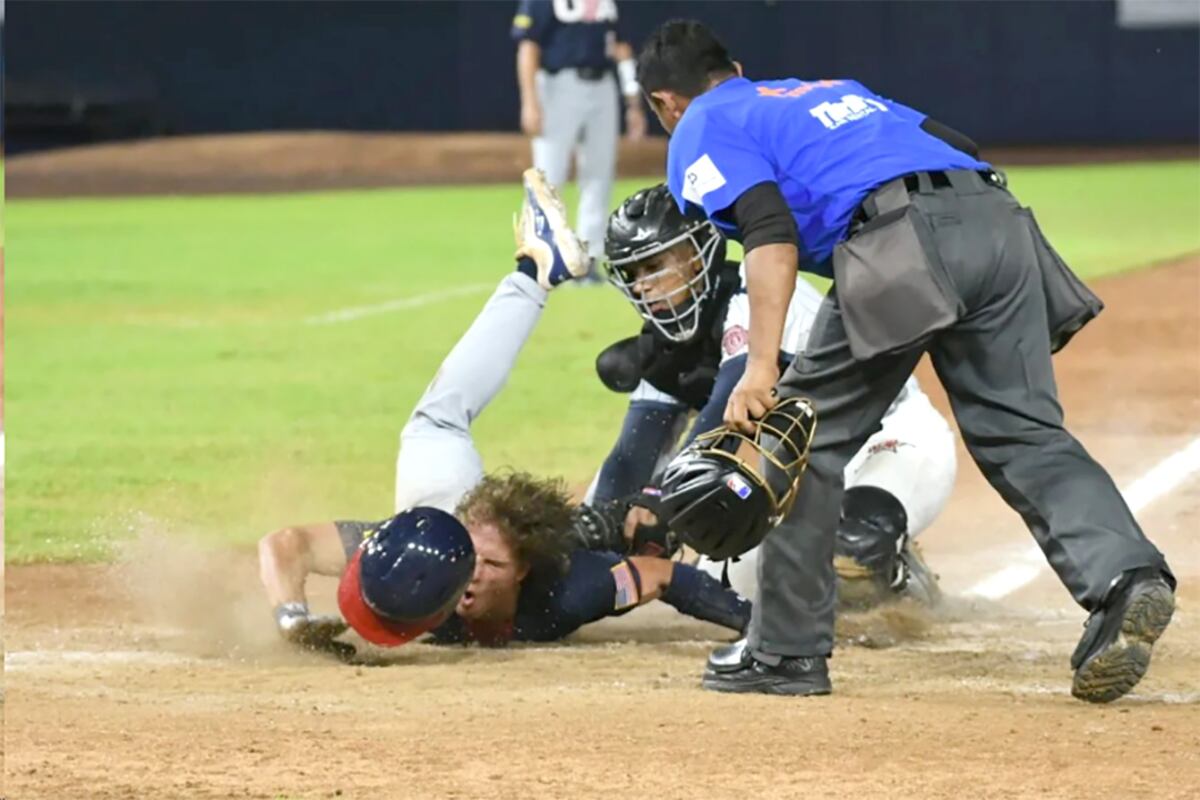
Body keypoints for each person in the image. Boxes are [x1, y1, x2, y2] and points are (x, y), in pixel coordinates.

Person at [635, 19, 1175, 702]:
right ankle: (1126, 577)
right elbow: (956, 146)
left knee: (800, 439)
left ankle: (784, 652)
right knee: (1025, 431)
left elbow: (769, 232)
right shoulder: (826, 90)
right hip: (999, 221)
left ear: (665, 102)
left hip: (899, 239)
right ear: (735, 69)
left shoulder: (698, 127)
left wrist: (762, 366)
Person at [257, 169, 751, 658]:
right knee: (435, 423)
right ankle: (535, 274)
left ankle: (535, 273)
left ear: (522, 572)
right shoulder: (417, 544)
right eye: (472, 558)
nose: (471, 579)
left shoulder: (568, 594)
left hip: (548, 546)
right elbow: (285, 545)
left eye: (490, 563)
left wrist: (756, 622)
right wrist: (291, 617)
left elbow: (663, 577)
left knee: (438, 423)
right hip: (447, 509)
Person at [589, 184, 956, 608]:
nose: (644, 286)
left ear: (698, 253)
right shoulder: (663, 349)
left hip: (885, 441)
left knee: (853, 551)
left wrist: (657, 502)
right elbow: (632, 453)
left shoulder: (759, 290)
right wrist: (599, 522)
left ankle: (900, 572)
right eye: (633, 274)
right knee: (728, 580)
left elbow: (728, 409)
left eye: (653, 265)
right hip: (800, 473)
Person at [512, 0, 647, 281]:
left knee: (599, 174)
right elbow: (528, 46)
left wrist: (633, 101)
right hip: (558, 84)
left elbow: (621, 48)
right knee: (548, 176)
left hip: (602, 86)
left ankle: (587, 260)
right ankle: (539, 255)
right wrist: (530, 101)